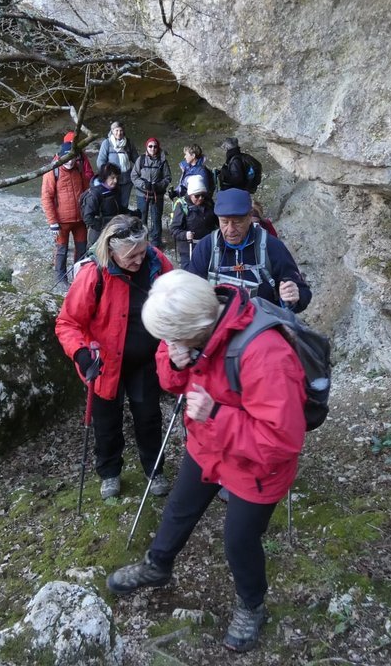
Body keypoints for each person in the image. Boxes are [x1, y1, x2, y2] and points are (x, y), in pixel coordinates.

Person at [106, 270, 306, 653]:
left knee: (239, 540)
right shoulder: (202, 329)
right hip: (208, 445)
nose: (168, 345)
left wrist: (215, 416)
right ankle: (157, 565)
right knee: (179, 510)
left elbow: (282, 442)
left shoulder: (266, 354)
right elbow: (171, 378)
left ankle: (252, 605)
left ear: (196, 329)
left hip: (258, 469)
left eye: (174, 339)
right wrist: (177, 362)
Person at [55, 215, 175, 500]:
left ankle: (153, 468)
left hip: (146, 359)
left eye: (142, 251)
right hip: (104, 362)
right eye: (130, 255)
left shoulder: (157, 263)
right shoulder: (94, 274)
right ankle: (109, 472)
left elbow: (176, 299)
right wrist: (82, 355)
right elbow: (67, 323)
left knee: (149, 417)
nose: (138, 259)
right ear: (111, 251)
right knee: (106, 421)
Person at [186, 188, 311, 312]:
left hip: (263, 326)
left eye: (237, 222)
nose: (230, 229)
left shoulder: (272, 246)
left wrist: (292, 297)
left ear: (250, 216)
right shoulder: (206, 248)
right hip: (219, 325)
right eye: (224, 222)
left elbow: (303, 293)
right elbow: (190, 293)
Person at [41, 133, 92, 287]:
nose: (70, 161)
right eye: (67, 158)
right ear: (61, 157)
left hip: (80, 219)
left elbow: (87, 191)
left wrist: (88, 212)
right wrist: (52, 222)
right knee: (61, 250)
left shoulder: (79, 169)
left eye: (73, 157)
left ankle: (79, 277)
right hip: (62, 221)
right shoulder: (53, 171)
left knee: (82, 249)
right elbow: (46, 197)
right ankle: (60, 279)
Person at [169, 174, 217, 269]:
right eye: (197, 195)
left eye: (203, 195)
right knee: (189, 274)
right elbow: (174, 230)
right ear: (190, 194)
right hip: (189, 248)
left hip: (207, 245)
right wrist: (185, 235)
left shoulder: (209, 202)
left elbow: (217, 221)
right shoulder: (181, 206)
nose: (201, 198)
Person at [130, 136, 171, 248]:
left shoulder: (163, 161)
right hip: (142, 194)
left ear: (158, 148)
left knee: (156, 218)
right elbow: (134, 176)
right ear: (146, 147)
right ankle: (141, 242)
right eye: (150, 146)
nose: (153, 148)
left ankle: (156, 243)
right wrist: (144, 185)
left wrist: (158, 186)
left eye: (155, 146)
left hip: (158, 194)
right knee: (142, 218)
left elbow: (167, 178)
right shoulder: (141, 160)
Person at [96, 120, 138, 210]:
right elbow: (100, 162)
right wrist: (107, 175)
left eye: (121, 130)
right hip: (112, 180)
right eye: (116, 130)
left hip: (127, 179)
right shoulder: (106, 143)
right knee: (113, 202)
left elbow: (136, 160)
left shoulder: (129, 143)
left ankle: (122, 221)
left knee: (124, 203)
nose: (119, 133)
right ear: (112, 131)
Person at [81, 163, 123, 247]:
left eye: (117, 178)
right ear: (104, 178)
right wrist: (102, 225)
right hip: (98, 233)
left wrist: (130, 213)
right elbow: (87, 218)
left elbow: (118, 208)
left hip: (113, 229)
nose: (115, 181)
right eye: (112, 178)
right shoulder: (94, 194)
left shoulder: (115, 190)